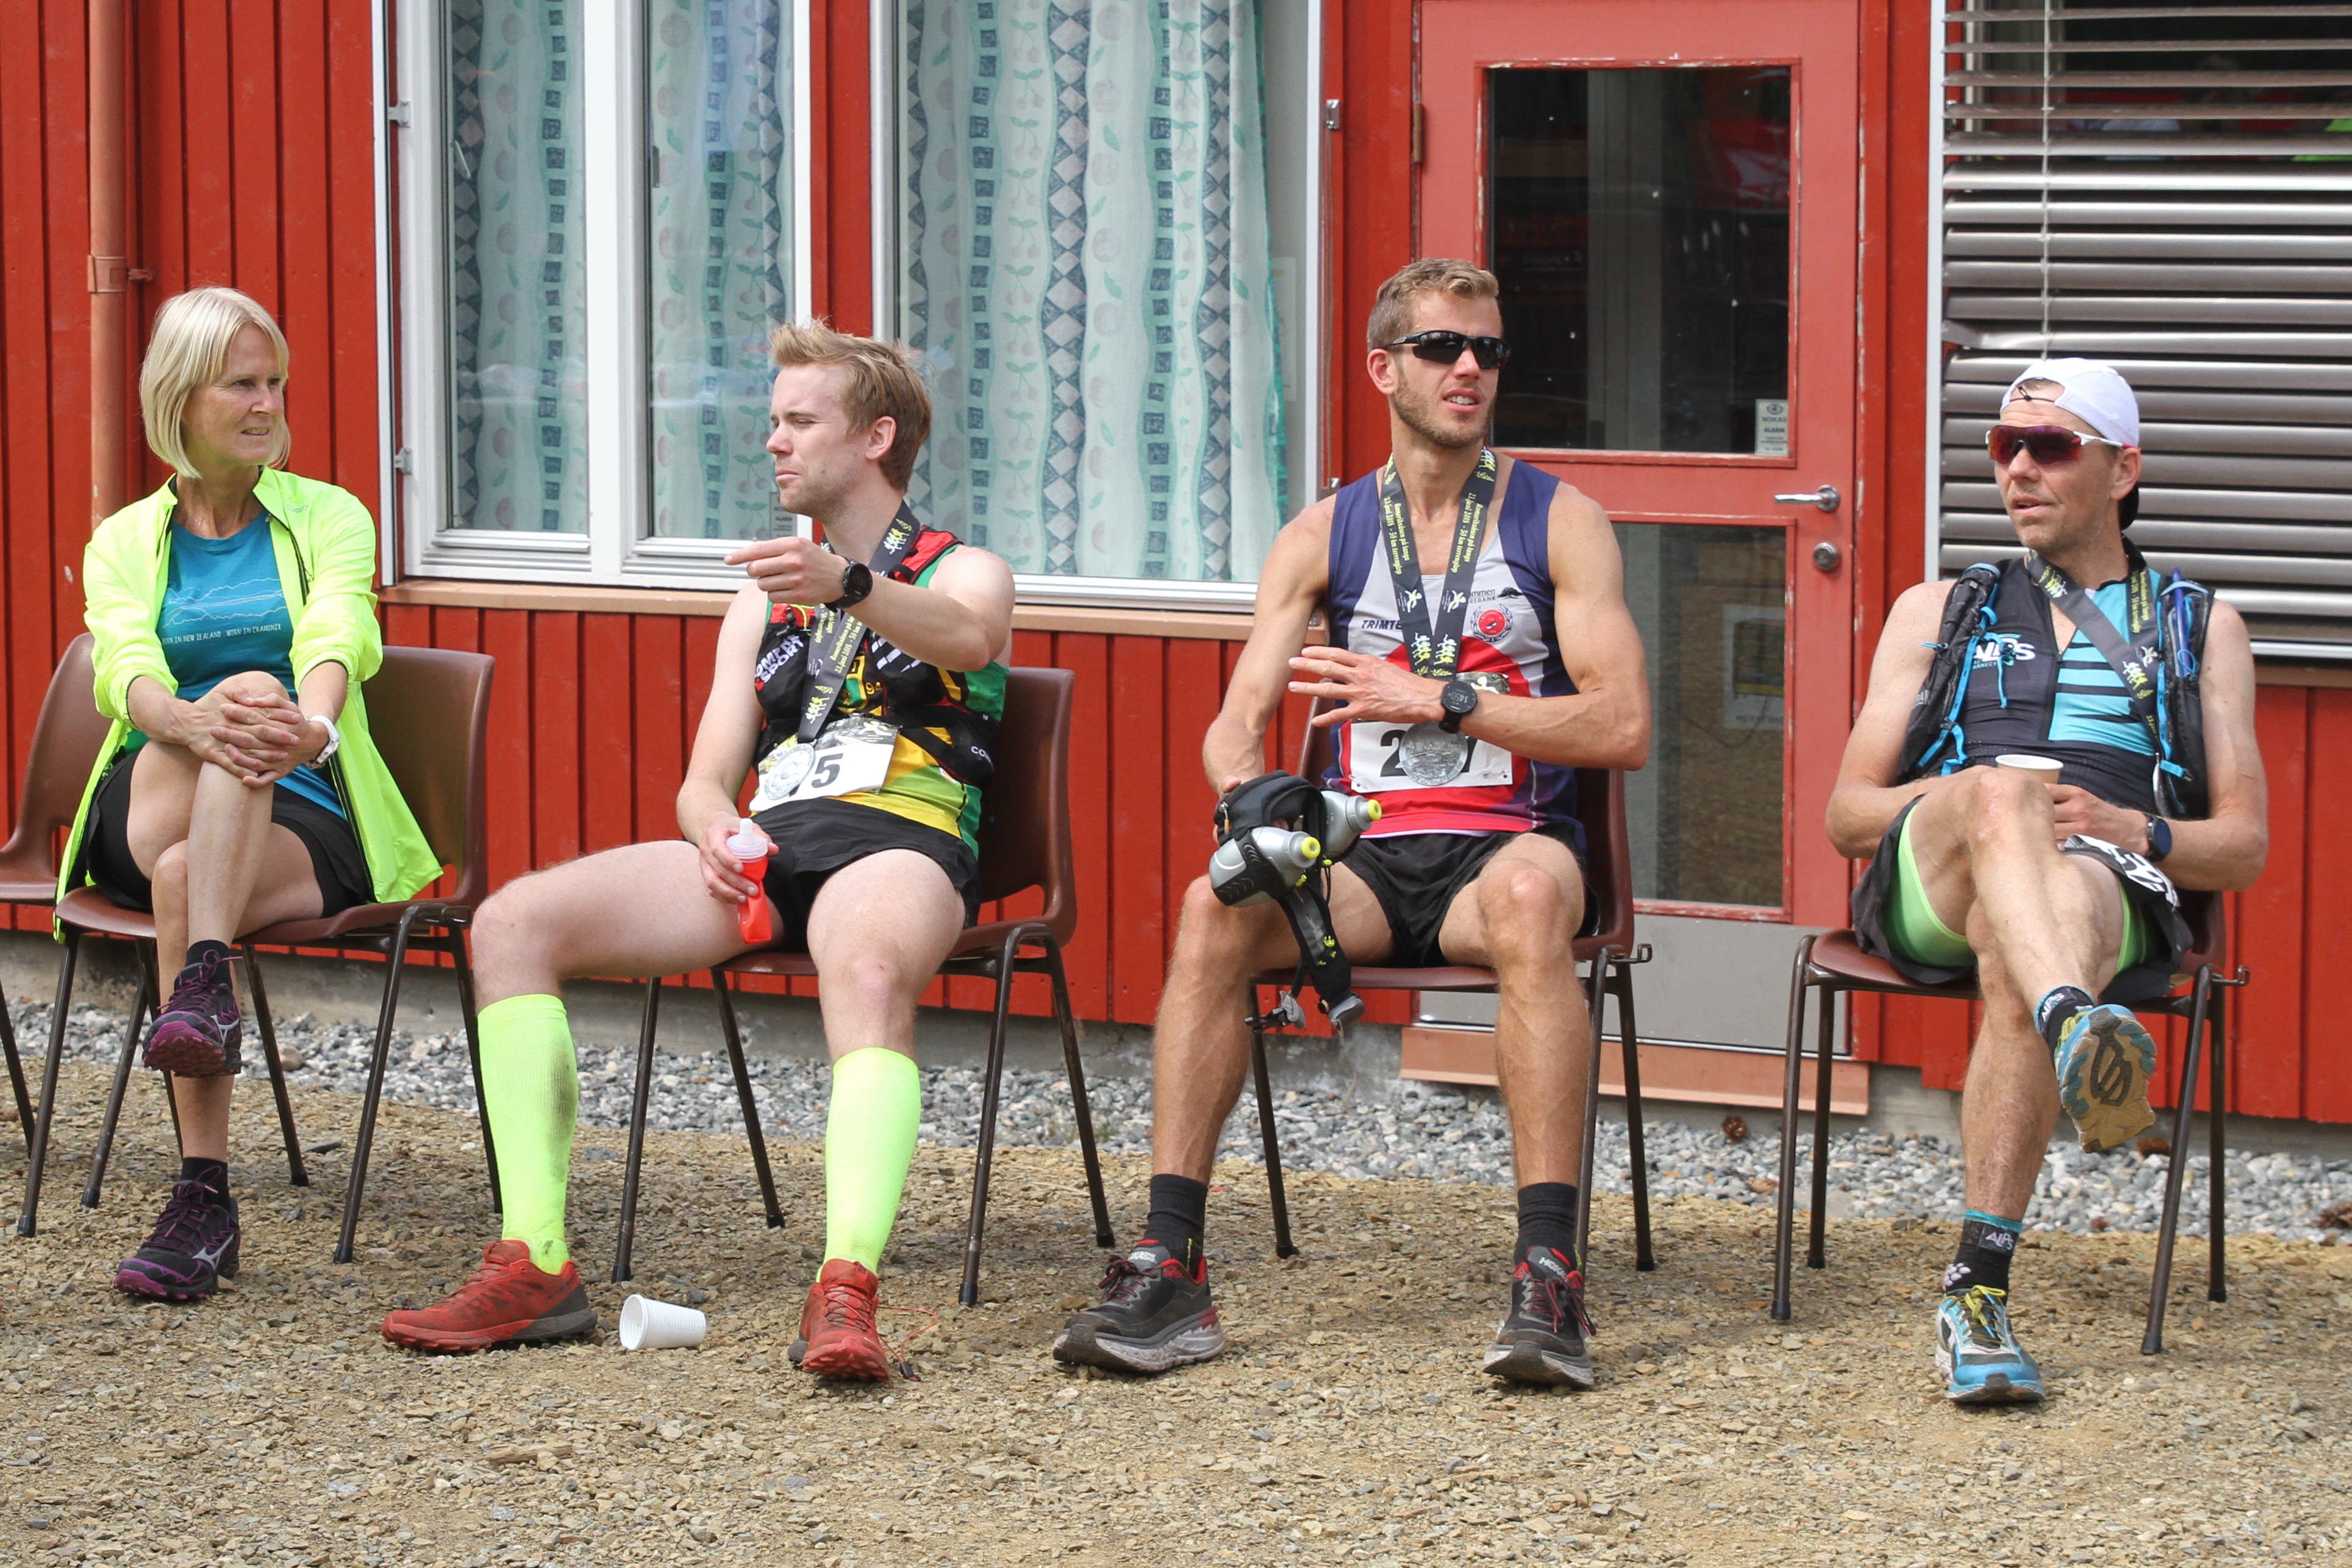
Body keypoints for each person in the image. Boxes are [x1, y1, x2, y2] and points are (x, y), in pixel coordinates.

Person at [1051, 259, 1649, 1388]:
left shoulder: (1559, 520)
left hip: (1506, 848)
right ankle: (1169, 1264)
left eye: (1487, 350)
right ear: (1384, 369)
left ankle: (1548, 1273)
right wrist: (1248, 802)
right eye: (1440, 348)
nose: (1468, 368)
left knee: (1530, 899)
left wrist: (1443, 698)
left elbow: (1623, 726)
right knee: (1212, 903)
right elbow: (1235, 724)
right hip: (1362, 856)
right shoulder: (1322, 533)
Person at [381, 322, 1012, 1377]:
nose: (773, 442)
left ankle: (845, 1290)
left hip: (903, 836)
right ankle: (535, 1262)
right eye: (773, 421)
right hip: (773, 842)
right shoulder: (760, 598)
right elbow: (702, 779)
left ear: (875, 438)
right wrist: (713, 825)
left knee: (864, 970)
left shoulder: (965, 569)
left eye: (799, 421)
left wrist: (849, 586)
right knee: (512, 922)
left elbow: (969, 638)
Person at [1828, 357, 2267, 1405]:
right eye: (2003, 447)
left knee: (2023, 933)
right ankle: (2075, 1021)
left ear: (2122, 470)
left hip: (2100, 872)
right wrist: (1984, 802)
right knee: (1998, 796)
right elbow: (1848, 816)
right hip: (1936, 870)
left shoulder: (2197, 626)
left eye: (2050, 447)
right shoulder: (1939, 608)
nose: (2017, 469)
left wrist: (2131, 827)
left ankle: (1975, 1294)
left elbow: (2242, 846)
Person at [65, 287, 442, 1302]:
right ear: (181, 398)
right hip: (156, 782)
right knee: (236, 706)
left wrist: (312, 728)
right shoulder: (123, 539)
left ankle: (202, 1193)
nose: (267, 403)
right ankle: (207, 983)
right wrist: (192, 721)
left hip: (305, 805)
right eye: (242, 384)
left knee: (192, 869)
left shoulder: (329, 514)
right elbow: (124, 667)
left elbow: (339, 630)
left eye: (275, 382)